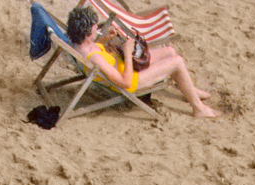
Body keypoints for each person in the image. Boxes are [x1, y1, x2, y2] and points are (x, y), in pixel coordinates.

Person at [64, 3, 219, 117]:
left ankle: (189, 90)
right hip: (132, 80)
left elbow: (96, 49)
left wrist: (104, 39)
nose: (96, 29)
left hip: (123, 66)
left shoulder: (80, 45)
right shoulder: (95, 58)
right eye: (94, 28)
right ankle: (198, 108)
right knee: (177, 61)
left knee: (170, 51)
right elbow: (124, 82)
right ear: (85, 33)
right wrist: (127, 51)